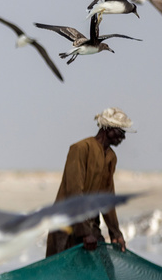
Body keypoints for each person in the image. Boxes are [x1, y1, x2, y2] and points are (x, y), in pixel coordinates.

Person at [45, 107, 134, 257]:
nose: (123, 137)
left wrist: (115, 233)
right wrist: (84, 233)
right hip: (67, 225)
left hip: (91, 225)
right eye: (121, 132)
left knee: (102, 272)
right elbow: (74, 192)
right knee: (66, 273)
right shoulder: (80, 149)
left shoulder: (111, 157)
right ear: (108, 129)